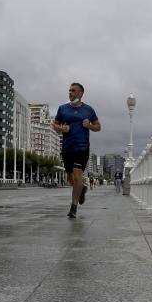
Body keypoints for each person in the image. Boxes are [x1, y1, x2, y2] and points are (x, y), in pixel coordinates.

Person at [52, 82, 101, 218]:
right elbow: (55, 125)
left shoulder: (88, 110)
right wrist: (62, 129)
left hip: (82, 147)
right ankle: (82, 189)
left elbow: (98, 127)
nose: (70, 93)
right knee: (71, 179)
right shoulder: (62, 109)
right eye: (69, 90)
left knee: (77, 175)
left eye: (73, 91)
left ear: (80, 93)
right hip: (67, 148)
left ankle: (73, 207)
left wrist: (89, 125)